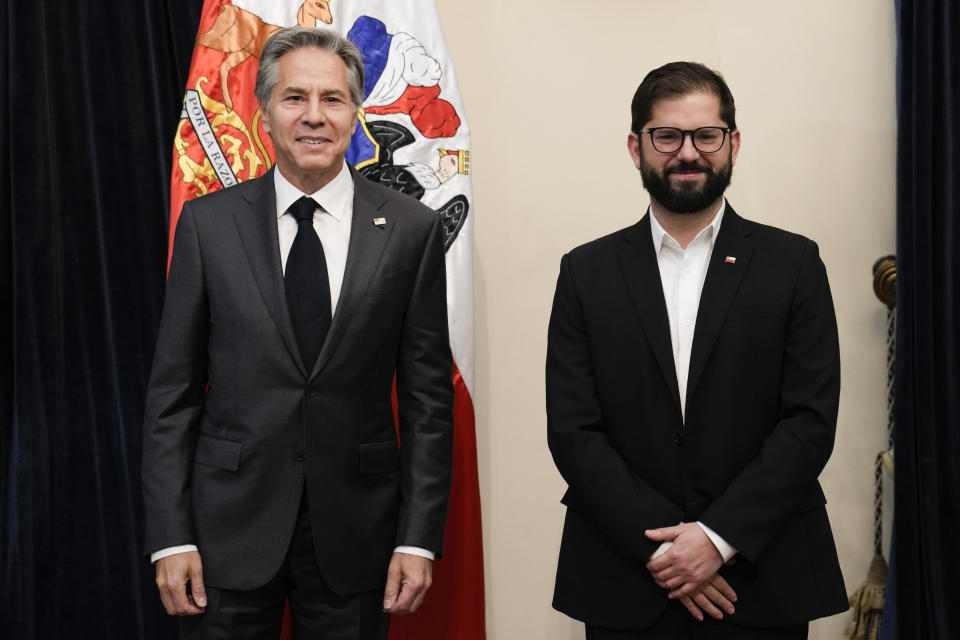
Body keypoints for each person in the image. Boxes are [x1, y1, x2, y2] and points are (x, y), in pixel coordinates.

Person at [141, 27, 454, 640]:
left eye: (333, 99)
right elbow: (171, 397)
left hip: (357, 532)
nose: (315, 116)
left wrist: (418, 539)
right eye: (295, 98)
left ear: (356, 112)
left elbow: (428, 404)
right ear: (264, 114)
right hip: (225, 532)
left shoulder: (413, 230)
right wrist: (169, 536)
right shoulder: (208, 225)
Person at [546, 61, 848, 639]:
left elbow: (809, 422)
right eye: (667, 136)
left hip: (761, 579)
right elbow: (573, 431)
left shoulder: (794, 264)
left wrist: (715, 539)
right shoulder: (586, 272)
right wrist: (671, 549)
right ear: (637, 147)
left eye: (706, 135)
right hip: (627, 579)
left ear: (732, 143)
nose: (688, 152)